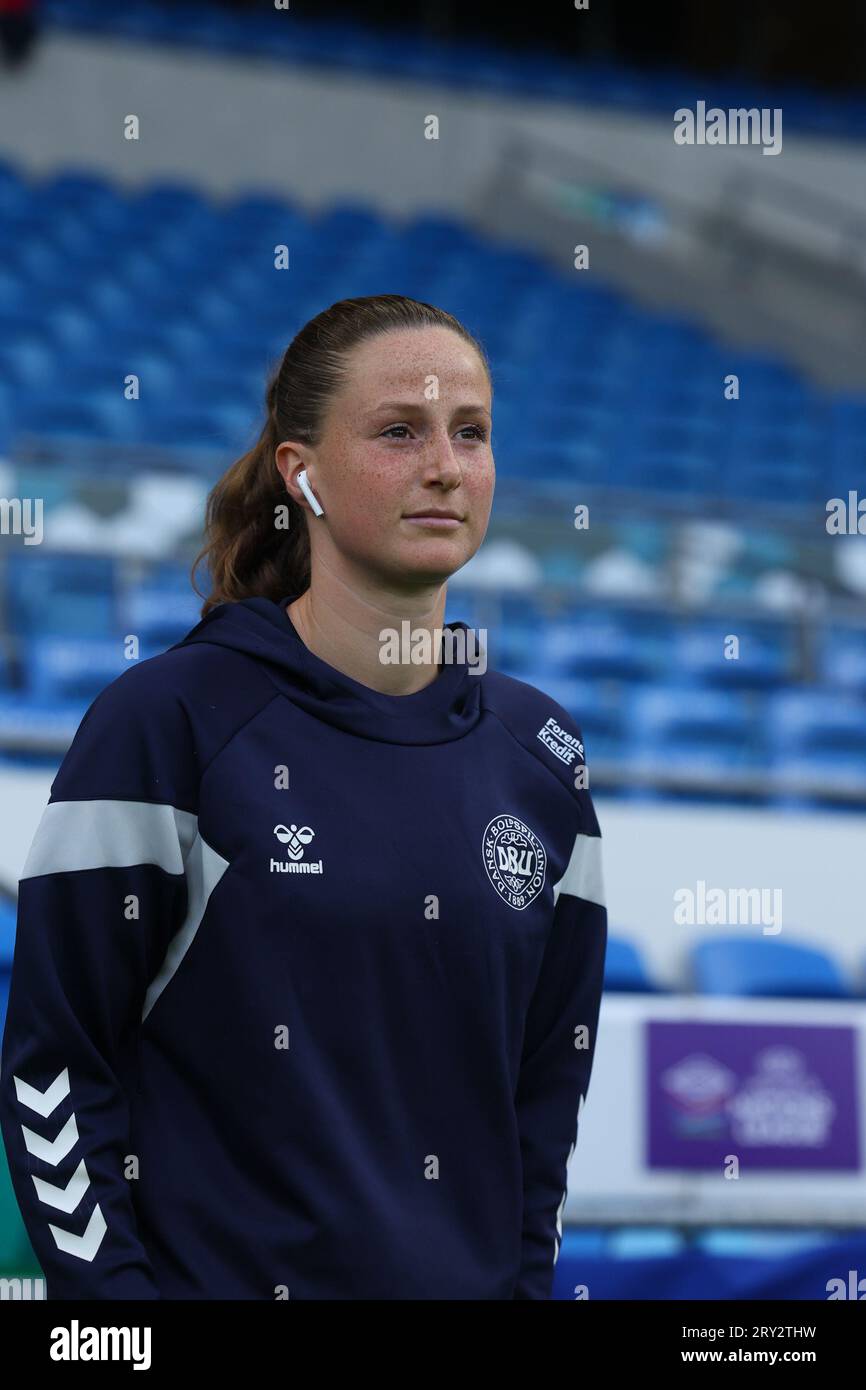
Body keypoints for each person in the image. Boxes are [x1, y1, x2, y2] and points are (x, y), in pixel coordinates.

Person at [0, 294, 607, 1299]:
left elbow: (539, 1107)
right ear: (301, 472)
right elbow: (55, 1068)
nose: (444, 468)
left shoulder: (541, 758)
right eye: (397, 432)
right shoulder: (168, 722)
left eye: (471, 433)